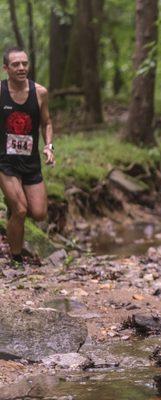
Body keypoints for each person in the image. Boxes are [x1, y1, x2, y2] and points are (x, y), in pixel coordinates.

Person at [0, 47, 55, 265]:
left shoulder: (40, 92)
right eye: (15, 64)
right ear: (6, 68)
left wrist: (49, 145)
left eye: (24, 63)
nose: (21, 68)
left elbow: (47, 122)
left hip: (31, 162)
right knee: (21, 210)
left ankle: (11, 209)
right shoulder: (1, 92)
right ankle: (15, 258)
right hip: (5, 162)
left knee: (39, 213)